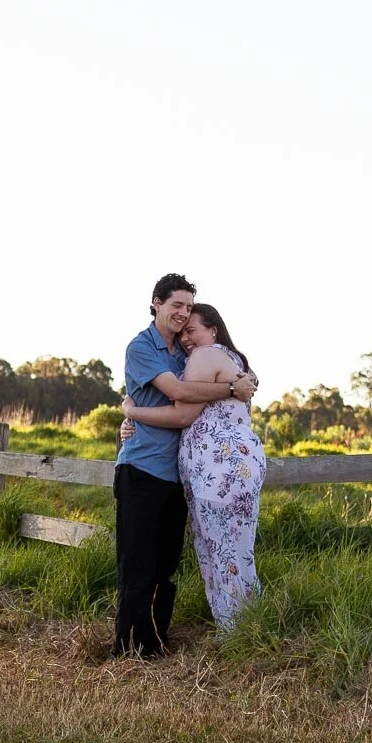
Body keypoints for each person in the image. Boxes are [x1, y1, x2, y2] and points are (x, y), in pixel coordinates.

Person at [112, 273, 258, 657]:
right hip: (142, 469)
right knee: (137, 564)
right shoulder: (141, 347)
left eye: (189, 308)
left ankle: (155, 642)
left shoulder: (184, 351)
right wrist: (130, 413)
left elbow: (213, 374)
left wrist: (133, 410)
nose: (183, 314)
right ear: (156, 303)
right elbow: (179, 397)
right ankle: (128, 649)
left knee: (166, 565)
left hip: (178, 475)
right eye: (176, 305)